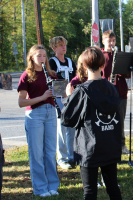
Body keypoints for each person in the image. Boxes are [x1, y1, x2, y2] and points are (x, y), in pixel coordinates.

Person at [61, 47, 122, 200]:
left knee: (89, 191)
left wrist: (69, 97)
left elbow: (67, 119)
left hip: (89, 148)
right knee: (113, 187)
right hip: (110, 144)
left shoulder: (81, 91)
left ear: (84, 66)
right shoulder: (113, 89)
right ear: (102, 66)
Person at [17, 45, 60, 197]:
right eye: (39, 56)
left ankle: (52, 186)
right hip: (34, 114)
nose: (42, 59)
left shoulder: (51, 74)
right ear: (31, 57)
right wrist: (42, 97)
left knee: (50, 152)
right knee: (36, 153)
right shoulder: (27, 75)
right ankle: (41, 188)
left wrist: (61, 91)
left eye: (44, 56)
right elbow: (21, 102)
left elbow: (61, 94)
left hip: (50, 112)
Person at [101, 30, 131, 155]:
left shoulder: (120, 54)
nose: (112, 43)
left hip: (120, 93)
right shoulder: (99, 54)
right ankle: (106, 143)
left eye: (113, 41)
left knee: (120, 120)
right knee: (105, 120)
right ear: (103, 41)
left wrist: (120, 70)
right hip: (105, 93)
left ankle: (122, 144)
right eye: (109, 41)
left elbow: (128, 74)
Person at [49, 36, 77, 169]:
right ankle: (62, 157)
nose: (63, 47)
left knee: (72, 128)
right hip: (59, 99)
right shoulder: (52, 62)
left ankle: (72, 155)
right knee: (62, 129)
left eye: (64, 44)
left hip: (71, 97)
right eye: (60, 45)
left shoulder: (71, 61)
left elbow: (77, 77)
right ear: (54, 48)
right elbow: (51, 79)